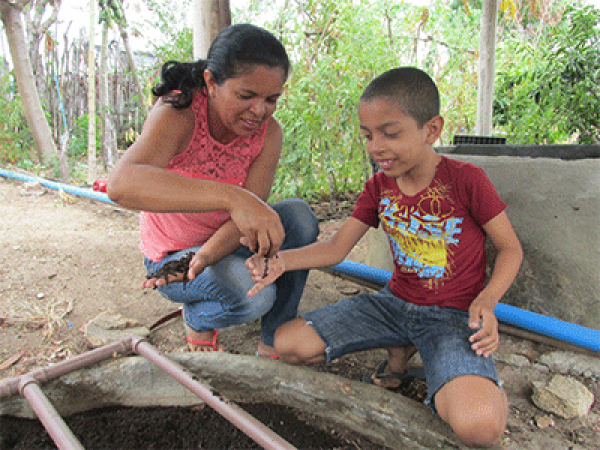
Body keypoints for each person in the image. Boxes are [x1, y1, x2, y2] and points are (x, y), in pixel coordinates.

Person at [246, 67, 523, 447]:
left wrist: (486, 302)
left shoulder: (466, 180)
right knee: (287, 344)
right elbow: (335, 248)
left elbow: (510, 249)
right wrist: (280, 262)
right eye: (368, 135)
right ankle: (401, 348)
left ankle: (443, 369)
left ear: (432, 129)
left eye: (390, 133)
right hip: (393, 304)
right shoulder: (379, 186)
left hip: (452, 316)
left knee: (480, 427)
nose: (376, 146)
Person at [107, 24, 319, 357]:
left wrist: (208, 254)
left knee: (299, 217)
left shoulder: (268, 134)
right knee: (255, 299)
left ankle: (274, 339)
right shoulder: (178, 115)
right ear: (211, 82)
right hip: (176, 259)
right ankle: (197, 317)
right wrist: (231, 197)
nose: (260, 111)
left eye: (271, 99)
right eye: (246, 96)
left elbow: (246, 217)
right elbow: (121, 185)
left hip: (222, 245)